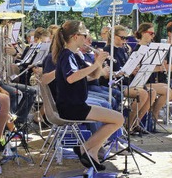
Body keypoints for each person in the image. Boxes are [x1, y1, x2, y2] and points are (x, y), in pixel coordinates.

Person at [52, 20, 123, 170]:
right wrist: (96, 65)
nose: (87, 39)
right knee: (118, 119)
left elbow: (93, 76)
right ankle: (86, 148)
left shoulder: (75, 55)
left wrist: (99, 63)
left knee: (117, 119)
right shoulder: (66, 55)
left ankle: (92, 151)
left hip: (77, 104)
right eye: (85, 35)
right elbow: (71, 78)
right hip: (71, 107)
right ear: (75, 36)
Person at [104, 25, 152, 133]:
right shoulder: (108, 50)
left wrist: (133, 69)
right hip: (115, 84)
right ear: (113, 36)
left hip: (127, 81)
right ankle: (128, 124)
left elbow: (127, 67)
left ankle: (136, 122)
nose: (125, 41)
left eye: (126, 38)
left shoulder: (124, 49)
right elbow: (107, 74)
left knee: (151, 92)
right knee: (143, 94)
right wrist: (121, 72)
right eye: (122, 38)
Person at [134, 23, 172, 123]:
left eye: (154, 34)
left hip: (151, 80)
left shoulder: (152, 48)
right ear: (143, 33)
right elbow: (140, 69)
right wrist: (158, 68)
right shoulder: (137, 50)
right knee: (168, 91)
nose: (153, 36)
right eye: (151, 33)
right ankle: (154, 116)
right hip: (141, 82)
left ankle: (153, 113)